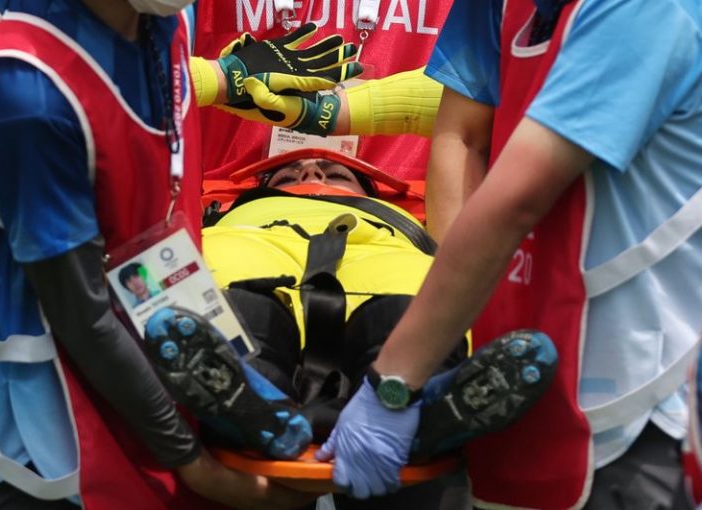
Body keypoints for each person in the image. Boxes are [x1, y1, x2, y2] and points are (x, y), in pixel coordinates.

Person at [0, 1, 361, 509]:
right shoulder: (26, 96)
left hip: (131, 363)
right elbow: (83, 317)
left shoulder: (163, 27)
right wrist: (196, 466)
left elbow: (156, 235)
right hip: (18, 439)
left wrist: (236, 384)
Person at [314, 0, 702, 508]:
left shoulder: (645, 11)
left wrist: (395, 381)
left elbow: (515, 200)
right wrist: (448, 342)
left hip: (631, 409)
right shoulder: (497, 7)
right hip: (516, 394)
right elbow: (464, 138)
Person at [143, 151, 559, 507]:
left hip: (380, 252)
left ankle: (406, 403)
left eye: (337, 172)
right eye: (286, 176)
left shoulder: (405, 224)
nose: (311, 172)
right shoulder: (230, 218)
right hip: (255, 242)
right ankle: (408, 419)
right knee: (239, 305)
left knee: (404, 310)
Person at [192, 0, 454, 181]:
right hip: (227, 207)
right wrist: (220, 79)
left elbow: (473, 97)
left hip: (402, 211)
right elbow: (163, 74)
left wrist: (340, 110)